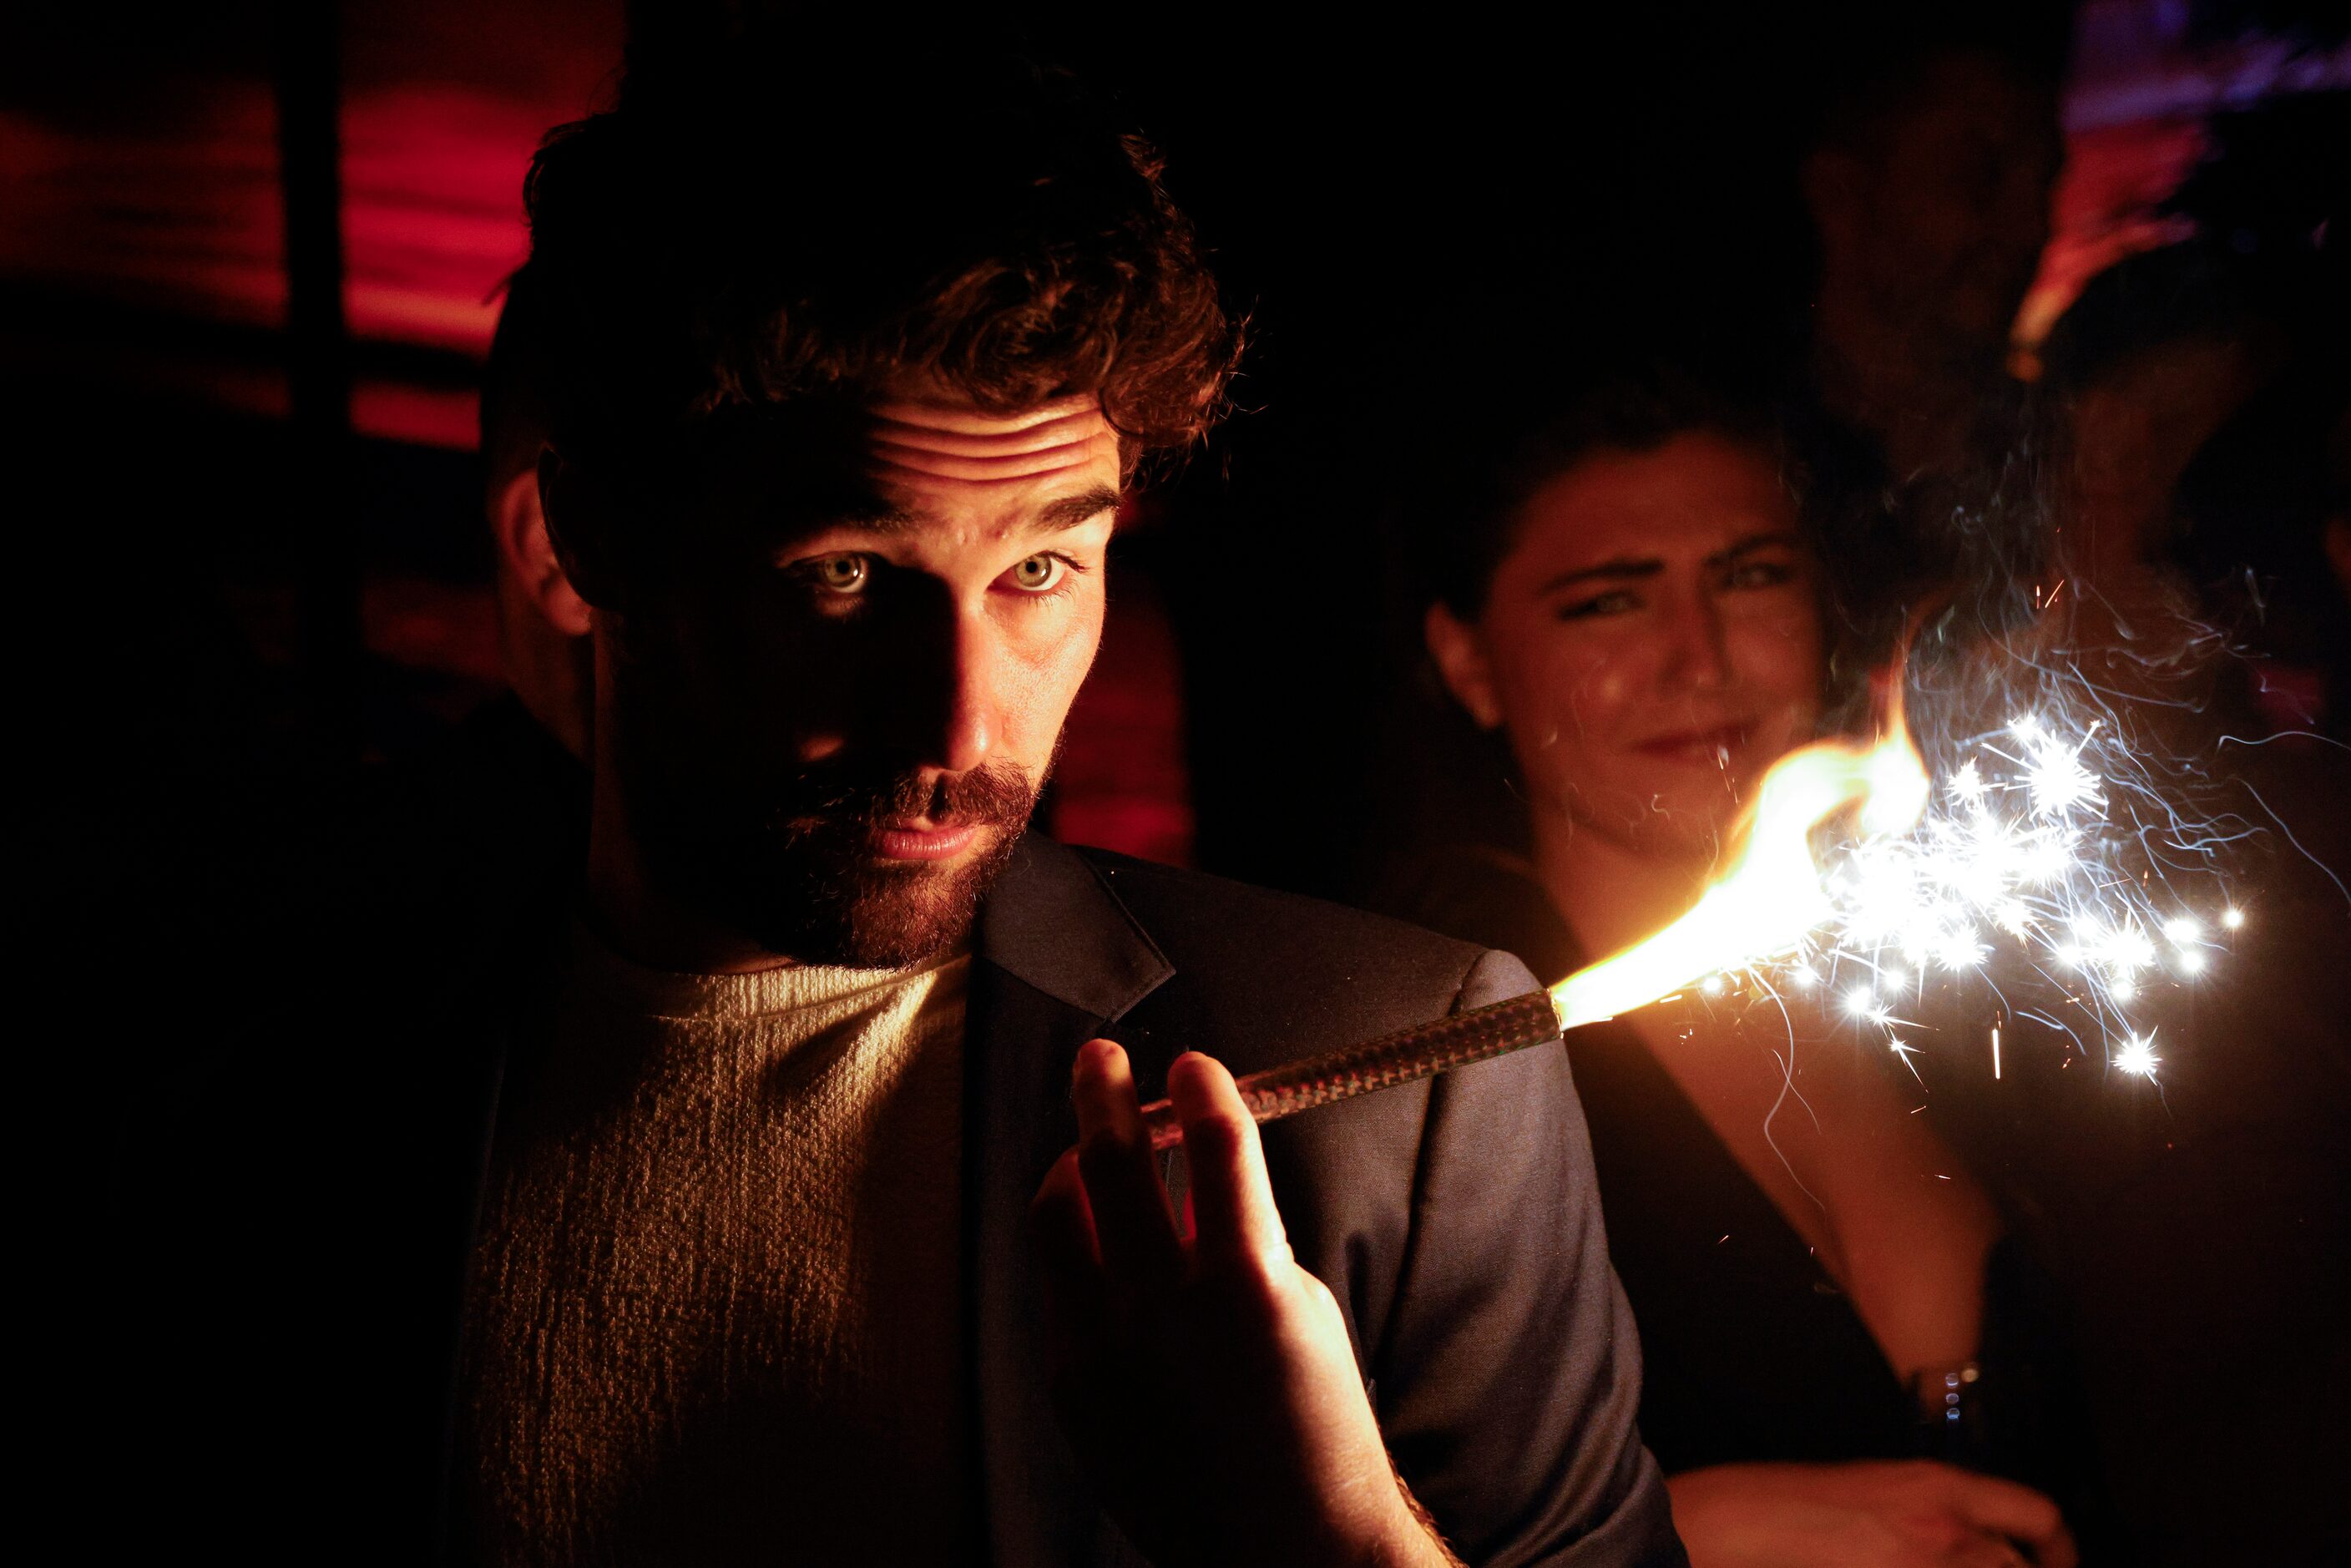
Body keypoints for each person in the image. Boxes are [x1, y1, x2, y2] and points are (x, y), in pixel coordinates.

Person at [117, 48, 1683, 1568]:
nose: (961, 724)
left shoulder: (1398, 1094)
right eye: (850, 576)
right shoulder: (266, 1111)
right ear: (589, 540)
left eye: (1041, 570)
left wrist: (1322, 1536)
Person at [1393, 372, 2092, 1568]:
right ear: (1468, 660)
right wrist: (1681, 1532)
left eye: (1751, 575)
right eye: (1607, 601)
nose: (1699, 656)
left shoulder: (1972, 993)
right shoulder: (1412, 1059)